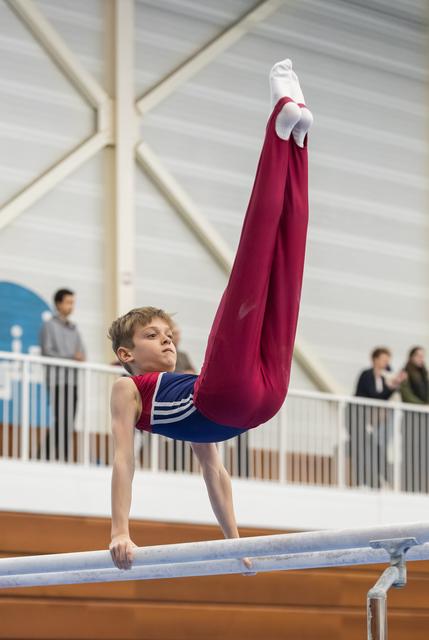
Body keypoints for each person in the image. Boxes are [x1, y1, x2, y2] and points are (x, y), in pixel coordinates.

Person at [108, 59, 312, 570]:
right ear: (126, 354)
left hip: (242, 403)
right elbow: (122, 460)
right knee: (273, 266)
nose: (169, 340)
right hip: (256, 401)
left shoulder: (190, 381)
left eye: (168, 333)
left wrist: (232, 538)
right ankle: (291, 143)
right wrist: (120, 531)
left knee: (273, 260)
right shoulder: (128, 390)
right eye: (153, 336)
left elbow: (214, 472)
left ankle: (292, 134)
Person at [350, 348, 406, 489]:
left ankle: (380, 480)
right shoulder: (367, 374)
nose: (386, 362)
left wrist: (394, 383)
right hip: (356, 416)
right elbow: (374, 395)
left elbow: (384, 398)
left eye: (388, 360)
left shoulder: (384, 377)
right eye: (383, 359)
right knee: (362, 448)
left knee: (377, 448)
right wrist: (392, 386)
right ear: (375, 359)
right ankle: (363, 481)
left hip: (371, 418)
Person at [40, 288, 86, 461]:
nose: (71, 306)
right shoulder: (48, 325)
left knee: (69, 421)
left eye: (73, 302)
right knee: (61, 420)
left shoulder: (74, 329)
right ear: (58, 304)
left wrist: (76, 358)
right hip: (57, 380)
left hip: (72, 381)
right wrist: (70, 357)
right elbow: (47, 352)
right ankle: (50, 456)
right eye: (68, 302)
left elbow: (82, 353)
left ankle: (56, 457)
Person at [400, 346, 429, 492]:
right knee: (411, 451)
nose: (421, 358)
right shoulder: (405, 373)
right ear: (411, 356)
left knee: (424, 452)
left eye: (422, 356)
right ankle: (409, 485)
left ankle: (422, 486)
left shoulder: (425, 375)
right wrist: (422, 406)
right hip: (411, 419)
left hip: (424, 421)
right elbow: (406, 395)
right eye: (418, 355)